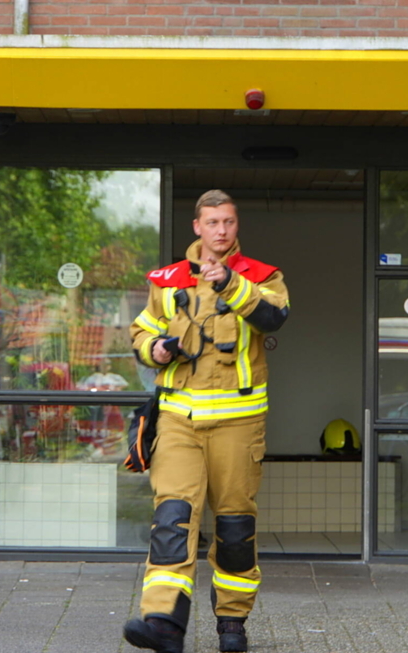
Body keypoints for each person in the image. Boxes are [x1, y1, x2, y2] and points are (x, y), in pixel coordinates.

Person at [123, 190, 290, 653]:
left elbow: (274, 317)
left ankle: (232, 625)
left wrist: (229, 284)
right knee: (172, 519)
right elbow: (141, 330)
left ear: (237, 227)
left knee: (235, 528)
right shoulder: (168, 279)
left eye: (229, 222)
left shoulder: (262, 276)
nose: (221, 230)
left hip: (239, 426)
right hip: (178, 421)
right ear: (197, 227)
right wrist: (153, 349)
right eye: (213, 222)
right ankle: (163, 623)